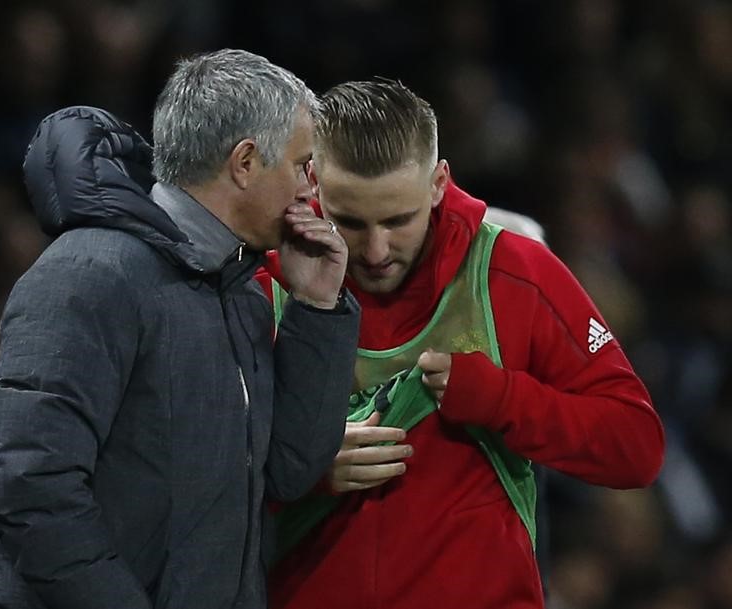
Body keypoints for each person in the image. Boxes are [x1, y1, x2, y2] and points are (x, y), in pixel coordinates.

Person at [259, 79, 665, 609]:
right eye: (351, 222)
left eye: (398, 220)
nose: (377, 250)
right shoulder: (264, 285)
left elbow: (635, 448)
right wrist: (297, 467)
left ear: (438, 183)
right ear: (314, 184)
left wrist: (501, 399)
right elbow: (188, 473)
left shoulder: (514, 274)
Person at [0, 49, 361, 609]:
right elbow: (33, 497)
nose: (312, 189)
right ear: (246, 162)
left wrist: (317, 308)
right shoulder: (87, 275)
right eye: (303, 164)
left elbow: (288, 471)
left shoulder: (238, 290)